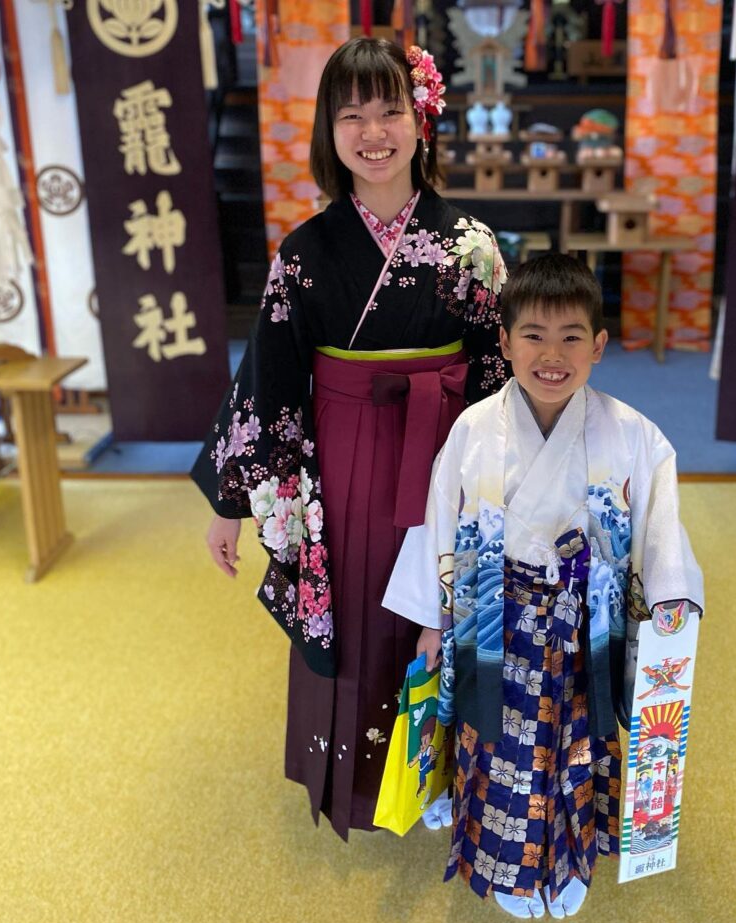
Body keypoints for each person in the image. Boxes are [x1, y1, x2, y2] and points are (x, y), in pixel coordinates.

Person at [191, 37, 508, 841]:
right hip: (341, 462)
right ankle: (358, 785)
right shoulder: (305, 252)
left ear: (421, 118)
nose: (374, 131)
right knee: (360, 608)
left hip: (446, 453)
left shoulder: (470, 244)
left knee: (440, 607)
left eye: (390, 109)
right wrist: (233, 499)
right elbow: (268, 376)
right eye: (351, 114)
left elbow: (499, 372)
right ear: (328, 132)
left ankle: (440, 783)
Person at [382, 254, 704, 917]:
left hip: (587, 628)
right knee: (500, 751)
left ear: (600, 346)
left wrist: (670, 608)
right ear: (504, 342)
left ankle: (572, 860)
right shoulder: (473, 429)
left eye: (571, 337)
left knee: (578, 749)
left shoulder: (635, 435)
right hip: (495, 625)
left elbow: (660, 528)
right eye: (532, 335)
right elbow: (440, 519)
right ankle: (508, 871)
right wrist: (431, 620)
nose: (550, 354)